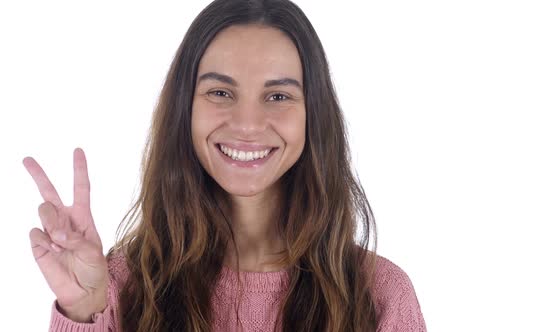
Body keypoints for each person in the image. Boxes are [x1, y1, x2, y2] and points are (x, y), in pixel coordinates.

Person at [23, 0, 426, 331]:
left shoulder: (380, 295)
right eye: (220, 92)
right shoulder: (120, 286)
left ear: (313, 116)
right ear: (186, 110)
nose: (247, 125)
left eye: (278, 96)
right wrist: (81, 313)